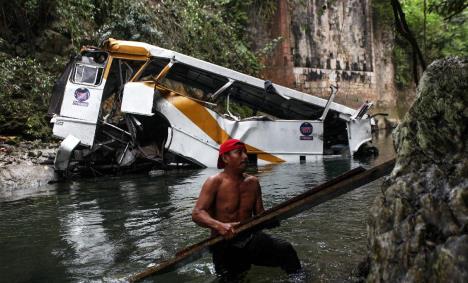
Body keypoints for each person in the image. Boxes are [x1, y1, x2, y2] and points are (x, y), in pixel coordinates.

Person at [192, 139, 302, 281]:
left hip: (250, 239)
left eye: (245, 153)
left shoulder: (253, 182)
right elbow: (197, 213)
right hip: (224, 244)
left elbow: (260, 215)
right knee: (232, 278)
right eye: (239, 153)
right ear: (225, 158)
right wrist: (220, 226)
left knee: (285, 250)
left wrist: (272, 219)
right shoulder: (214, 182)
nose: (245, 156)